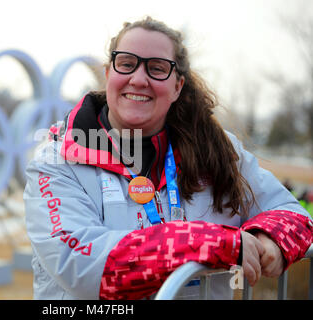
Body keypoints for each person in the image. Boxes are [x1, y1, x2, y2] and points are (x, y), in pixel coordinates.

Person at [23, 16, 313, 300]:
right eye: (126, 64)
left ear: (177, 86)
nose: (138, 79)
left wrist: (270, 238)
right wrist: (208, 242)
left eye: (157, 68)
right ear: (108, 73)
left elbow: (293, 212)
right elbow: (83, 264)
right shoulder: (58, 160)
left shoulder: (218, 151)